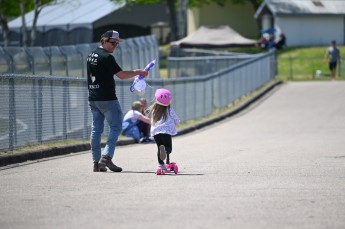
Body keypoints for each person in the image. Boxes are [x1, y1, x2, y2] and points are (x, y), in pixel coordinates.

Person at [87, 30, 148, 172]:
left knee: (96, 129)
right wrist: (139, 71)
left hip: (93, 98)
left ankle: (96, 163)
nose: (114, 46)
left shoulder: (91, 55)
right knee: (116, 127)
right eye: (112, 43)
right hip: (108, 98)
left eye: (116, 44)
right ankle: (106, 157)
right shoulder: (107, 58)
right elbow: (122, 75)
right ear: (104, 40)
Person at [147, 88, 180, 171]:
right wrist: (176, 122)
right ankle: (165, 150)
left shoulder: (154, 110)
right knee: (168, 148)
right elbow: (176, 120)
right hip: (166, 132)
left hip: (156, 132)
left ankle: (161, 165)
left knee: (159, 147)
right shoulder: (170, 110)